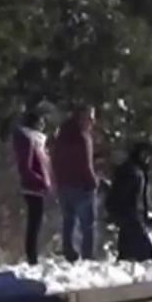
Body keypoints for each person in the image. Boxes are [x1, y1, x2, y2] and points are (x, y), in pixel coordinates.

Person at [50, 105, 99, 261]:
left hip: (64, 185)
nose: (92, 121)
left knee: (68, 220)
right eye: (90, 117)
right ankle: (88, 256)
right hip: (81, 186)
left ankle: (68, 249)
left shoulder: (62, 136)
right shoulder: (83, 137)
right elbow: (86, 164)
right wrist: (94, 182)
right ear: (82, 118)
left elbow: (54, 160)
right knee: (88, 224)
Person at [11, 108, 53, 265]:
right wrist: (40, 180)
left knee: (37, 222)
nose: (43, 124)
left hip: (38, 186)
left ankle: (34, 254)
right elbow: (26, 166)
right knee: (34, 223)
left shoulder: (37, 140)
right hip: (33, 187)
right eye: (40, 121)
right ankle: (32, 256)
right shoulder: (28, 140)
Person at [107, 141, 152, 262]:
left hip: (132, 216)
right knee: (147, 253)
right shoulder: (132, 172)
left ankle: (124, 273)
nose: (148, 158)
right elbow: (122, 196)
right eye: (146, 154)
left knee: (126, 253)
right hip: (130, 216)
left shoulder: (138, 171)